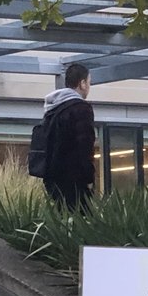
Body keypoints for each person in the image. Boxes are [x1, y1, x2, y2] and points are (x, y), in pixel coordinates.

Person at [41, 63, 96, 209]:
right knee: (82, 223)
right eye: (89, 83)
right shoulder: (81, 109)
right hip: (75, 179)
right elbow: (85, 145)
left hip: (53, 178)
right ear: (82, 83)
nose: (89, 87)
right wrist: (89, 178)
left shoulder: (52, 109)